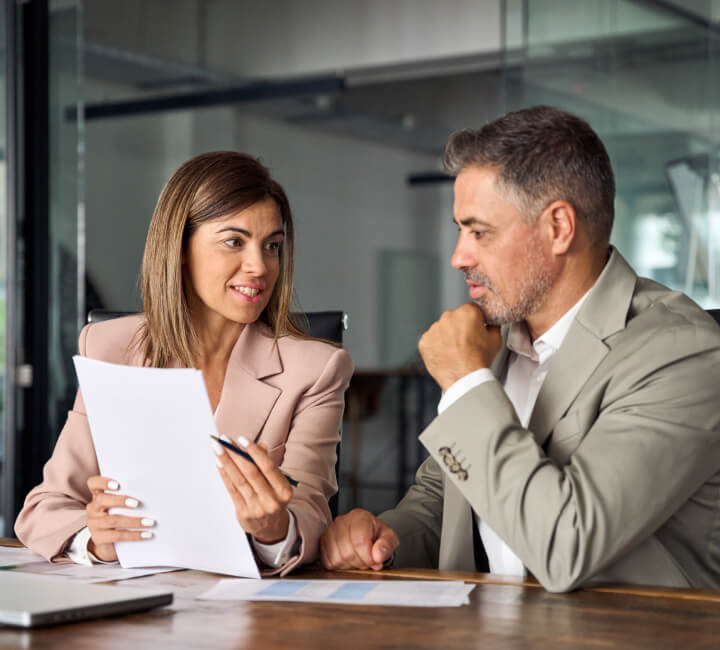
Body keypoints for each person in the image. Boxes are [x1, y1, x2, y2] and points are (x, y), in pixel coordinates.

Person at [319, 105, 720, 592]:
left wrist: (467, 382)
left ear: (558, 228)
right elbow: (444, 499)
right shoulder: (504, 337)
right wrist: (385, 538)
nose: (458, 256)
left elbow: (568, 545)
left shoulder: (680, 352)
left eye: (479, 232)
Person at [15, 151, 353, 576]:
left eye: (272, 246)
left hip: (252, 613)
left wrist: (273, 529)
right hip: (129, 608)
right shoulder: (110, 347)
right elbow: (44, 509)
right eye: (234, 241)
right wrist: (97, 539)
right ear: (180, 249)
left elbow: (311, 515)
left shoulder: (315, 369)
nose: (260, 267)